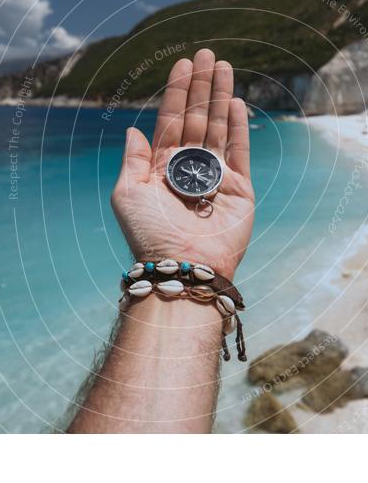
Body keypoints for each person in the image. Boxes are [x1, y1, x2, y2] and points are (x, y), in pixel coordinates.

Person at [67, 49, 255, 433]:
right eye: (187, 173)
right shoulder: (193, 178)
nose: (192, 178)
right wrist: (188, 262)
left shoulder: (195, 173)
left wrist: (181, 266)